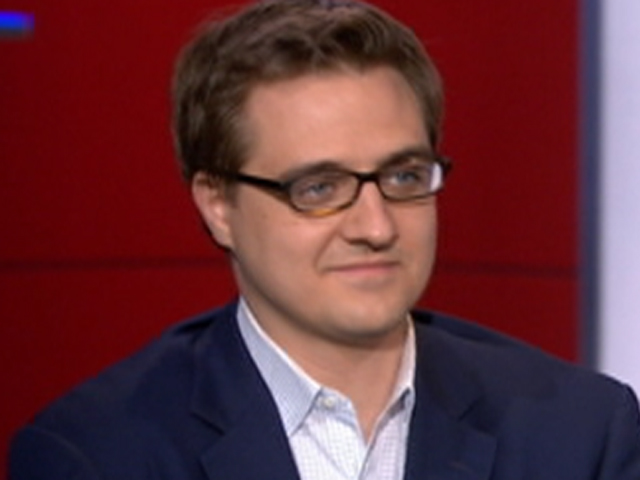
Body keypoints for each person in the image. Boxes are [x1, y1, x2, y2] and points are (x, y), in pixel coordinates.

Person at [9, 0, 640, 478]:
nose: (376, 227)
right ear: (218, 205)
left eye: (403, 177)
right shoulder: (98, 454)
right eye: (318, 188)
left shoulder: (579, 433)